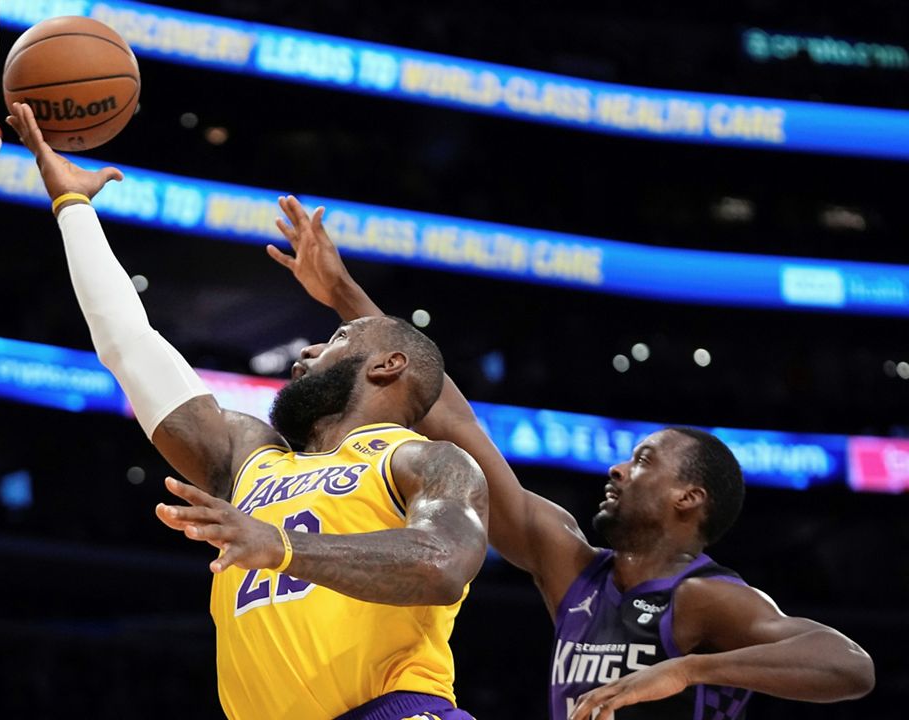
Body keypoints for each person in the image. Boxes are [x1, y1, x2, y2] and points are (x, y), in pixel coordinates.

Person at [269, 195, 876, 720]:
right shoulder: (572, 568)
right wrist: (345, 295)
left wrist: (688, 672)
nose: (617, 468)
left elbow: (849, 665)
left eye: (642, 461)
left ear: (688, 498)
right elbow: (458, 425)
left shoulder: (704, 596)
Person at [5, 103, 490, 720]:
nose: (304, 354)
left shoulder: (428, 461)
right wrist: (73, 210)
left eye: (335, 340)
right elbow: (129, 346)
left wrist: (280, 545)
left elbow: (442, 564)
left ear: (388, 366)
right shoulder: (248, 457)